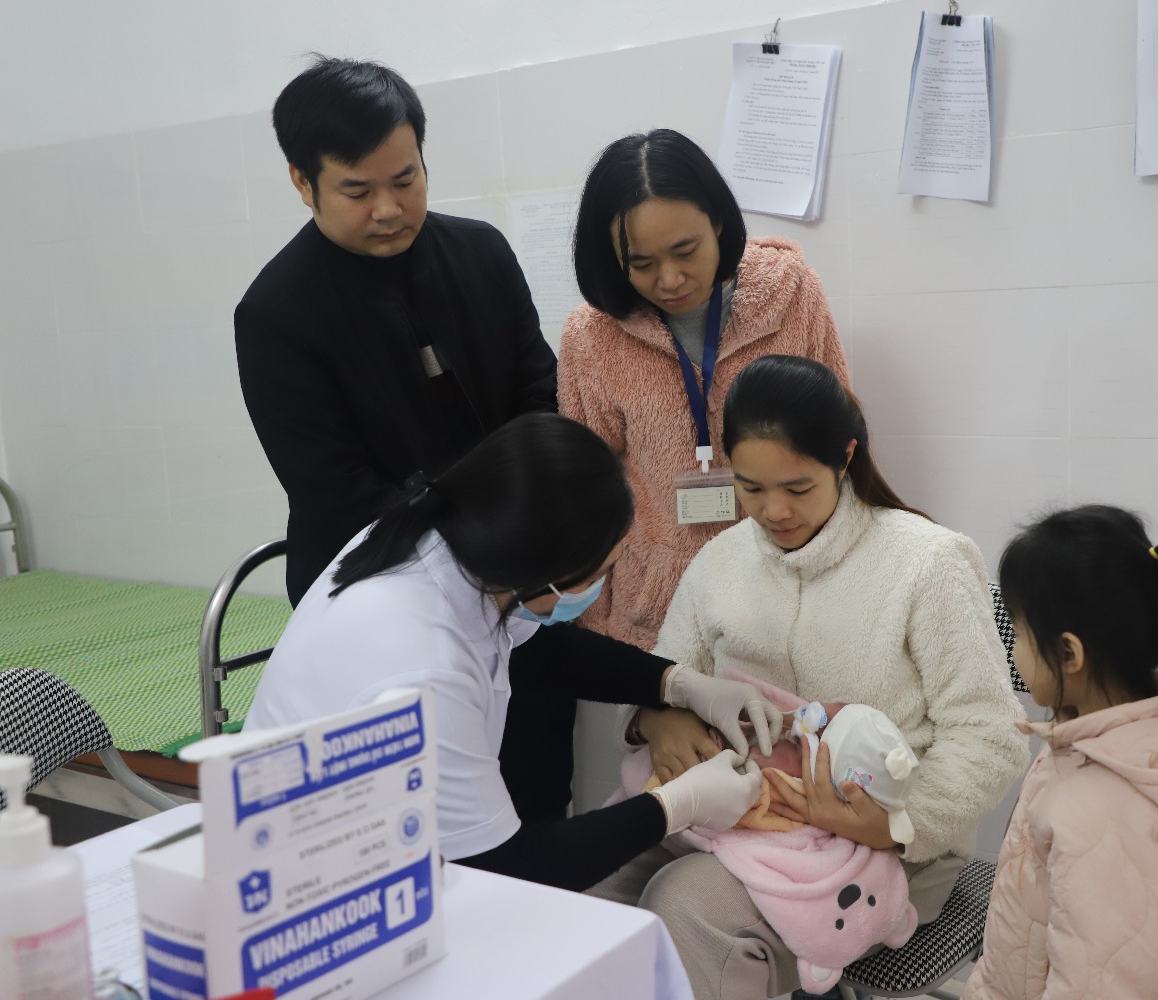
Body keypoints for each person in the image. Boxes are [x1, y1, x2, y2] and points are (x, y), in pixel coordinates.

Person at [591, 357, 1029, 1000]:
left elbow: (990, 734)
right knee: (596, 875)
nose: (773, 511)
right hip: (734, 817)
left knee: (686, 906)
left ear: (845, 458)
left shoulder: (928, 562)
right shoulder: (720, 560)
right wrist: (659, 720)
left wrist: (892, 825)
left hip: (883, 845)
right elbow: (663, 673)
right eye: (750, 487)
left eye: (798, 488)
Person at [233, 56, 571, 822]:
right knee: (408, 821)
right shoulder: (277, 314)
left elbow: (537, 397)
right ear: (302, 182)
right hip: (382, 602)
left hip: (517, 587)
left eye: (406, 179)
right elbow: (334, 487)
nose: (388, 209)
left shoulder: (480, 253)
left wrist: (531, 547)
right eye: (358, 191)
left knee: (535, 798)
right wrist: (481, 558)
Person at [246, 414, 784, 892]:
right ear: (544, 573)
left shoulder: (452, 542)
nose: (606, 583)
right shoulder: (426, 667)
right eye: (602, 572)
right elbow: (513, 867)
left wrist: (676, 682)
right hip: (314, 882)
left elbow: (536, 650)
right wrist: (677, 805)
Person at [559, 129, 851, 651]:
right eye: (641, 264)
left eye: (686, 250)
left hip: (791, 587)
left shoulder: (791, 296)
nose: (670, 279)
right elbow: (585, 490)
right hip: (658, 608)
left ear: (717, 221)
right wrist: (596, 627)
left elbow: (840, 435)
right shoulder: (592, 337)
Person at [963, 506, 1158, 1000]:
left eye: (1020, 634)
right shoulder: (1126, 737)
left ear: (1069, 654)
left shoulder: (1103, 815)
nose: (1013, 652)